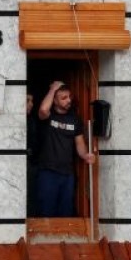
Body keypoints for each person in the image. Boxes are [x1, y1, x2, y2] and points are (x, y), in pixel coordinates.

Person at [35, 81, 95, 218]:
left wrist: (86, 155)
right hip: (47, 171)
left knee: (65, 212)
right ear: (54, 101)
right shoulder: (47, 117)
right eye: (63, 98)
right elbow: (43, 110)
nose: (68, 100)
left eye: (69, 97)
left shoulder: (74, 119)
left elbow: (79, 143)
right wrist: (53, 89)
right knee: (46, 211)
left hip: (67, 174)